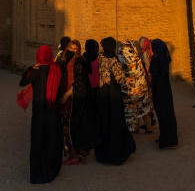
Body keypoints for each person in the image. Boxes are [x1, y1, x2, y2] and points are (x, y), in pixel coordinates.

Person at [19, 45, 63, 184]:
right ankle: (52, 169)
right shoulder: (56, 68)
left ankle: (39, 173)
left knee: (39, 140)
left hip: (40, 111)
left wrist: (31, 68)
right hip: (53, 109)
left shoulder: (37, 71)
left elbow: (22, 82)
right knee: (52, 139)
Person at [95, 37, 136, 165]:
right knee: (115, 121)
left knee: (104, 121)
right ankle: (116, 153)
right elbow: (120, 78)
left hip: (102, 92)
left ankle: (103, 154)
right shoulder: (114, 60)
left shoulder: (100, 58)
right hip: (113, 93)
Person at [59, 40, 90, 165]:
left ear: (79, 49)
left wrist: (66, 95)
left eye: (75, 48)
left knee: (68, 126)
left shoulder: (78, 62)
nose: (72, 50)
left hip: (72, 97)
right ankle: (80, 152)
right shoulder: (67, 60)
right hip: (71, 96)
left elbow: (78, 82)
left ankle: (73, 154)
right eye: (70, 48)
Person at [116, 39, 152, 133]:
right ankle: (148, 128)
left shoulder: (122, 59)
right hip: (140, 89)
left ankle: (134, 129)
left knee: (131, 111)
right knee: (141, 109)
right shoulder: (137, 59)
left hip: (128, 91)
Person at [150, 39, 178, 149]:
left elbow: (155, 77)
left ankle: (168, 141)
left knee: (163, 115)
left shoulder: (155, 59)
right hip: (166, 89)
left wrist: (150, 88)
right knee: (168, 114)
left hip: (159, 90)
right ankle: (168, 138)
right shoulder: (165, 59)